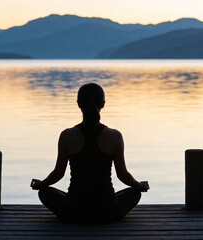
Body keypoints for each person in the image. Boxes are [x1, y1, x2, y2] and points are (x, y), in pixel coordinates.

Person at [30, 83, 149, 224]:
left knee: (44, 192)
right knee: (134, 192)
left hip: (74, 212)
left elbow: (58, 173)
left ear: (78, 104)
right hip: (109, 211)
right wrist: (139, 186)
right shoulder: (115, 136)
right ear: (103, 104)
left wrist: (41, 184)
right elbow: (123, 175)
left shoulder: (67, 136)